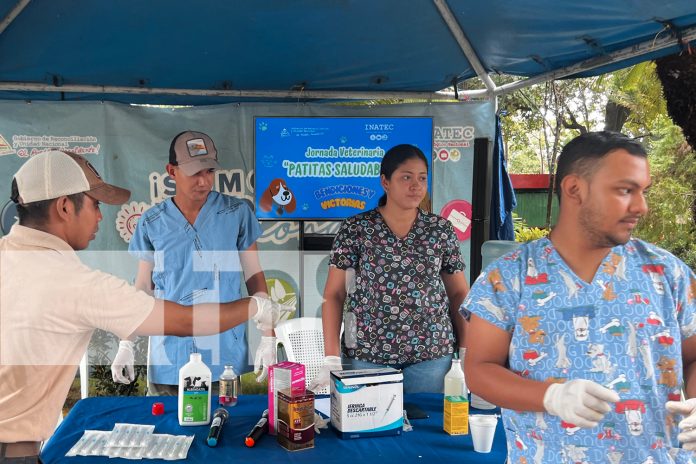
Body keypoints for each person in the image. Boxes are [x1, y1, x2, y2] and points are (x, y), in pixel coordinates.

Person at [0, 150, 291, 462]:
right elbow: (181, 320)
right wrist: (256, 308)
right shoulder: (76, 282)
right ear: (65, 206)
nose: (100, 216)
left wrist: (266, 332)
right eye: (96, 204)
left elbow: (249, 273)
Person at [463, 131, 696, 463]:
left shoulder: (667, 273)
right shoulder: (510, 276)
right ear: (574, 189)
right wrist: (550, 396)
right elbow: (479, 370)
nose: (641, 206)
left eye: (643, 191)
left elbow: (693, 354)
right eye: (625, 190)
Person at [111, 131, 276, 395]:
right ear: (171, 171)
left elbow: (254, 275)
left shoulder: (236, 214)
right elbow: (143, 286)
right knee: (170, 432)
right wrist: (126, 343)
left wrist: (268, 336)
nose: (203, 181)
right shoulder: (152, 223)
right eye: (194, 172)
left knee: (224, 429)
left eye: (209, 171)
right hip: (170, 356)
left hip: (225, 356)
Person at [310, 144, 470, 393]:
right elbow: (334, 295)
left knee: (428, 428)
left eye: (422, 178)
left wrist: (467, 349)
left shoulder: (441, 230)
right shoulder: (356, 229)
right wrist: (331, 357)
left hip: (432, 355)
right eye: (406, 177)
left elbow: (459, 294)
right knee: (368, 429)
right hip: (366, 355)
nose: (416, 185)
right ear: (385, 182)